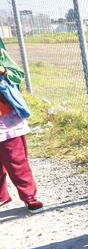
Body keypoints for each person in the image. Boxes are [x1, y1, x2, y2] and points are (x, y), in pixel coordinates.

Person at [0, 44, 43, 213]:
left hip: (4, 118)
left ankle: (29, 197)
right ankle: (1, 197)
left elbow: (18, 75)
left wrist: (3, 70)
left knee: (16, 160)